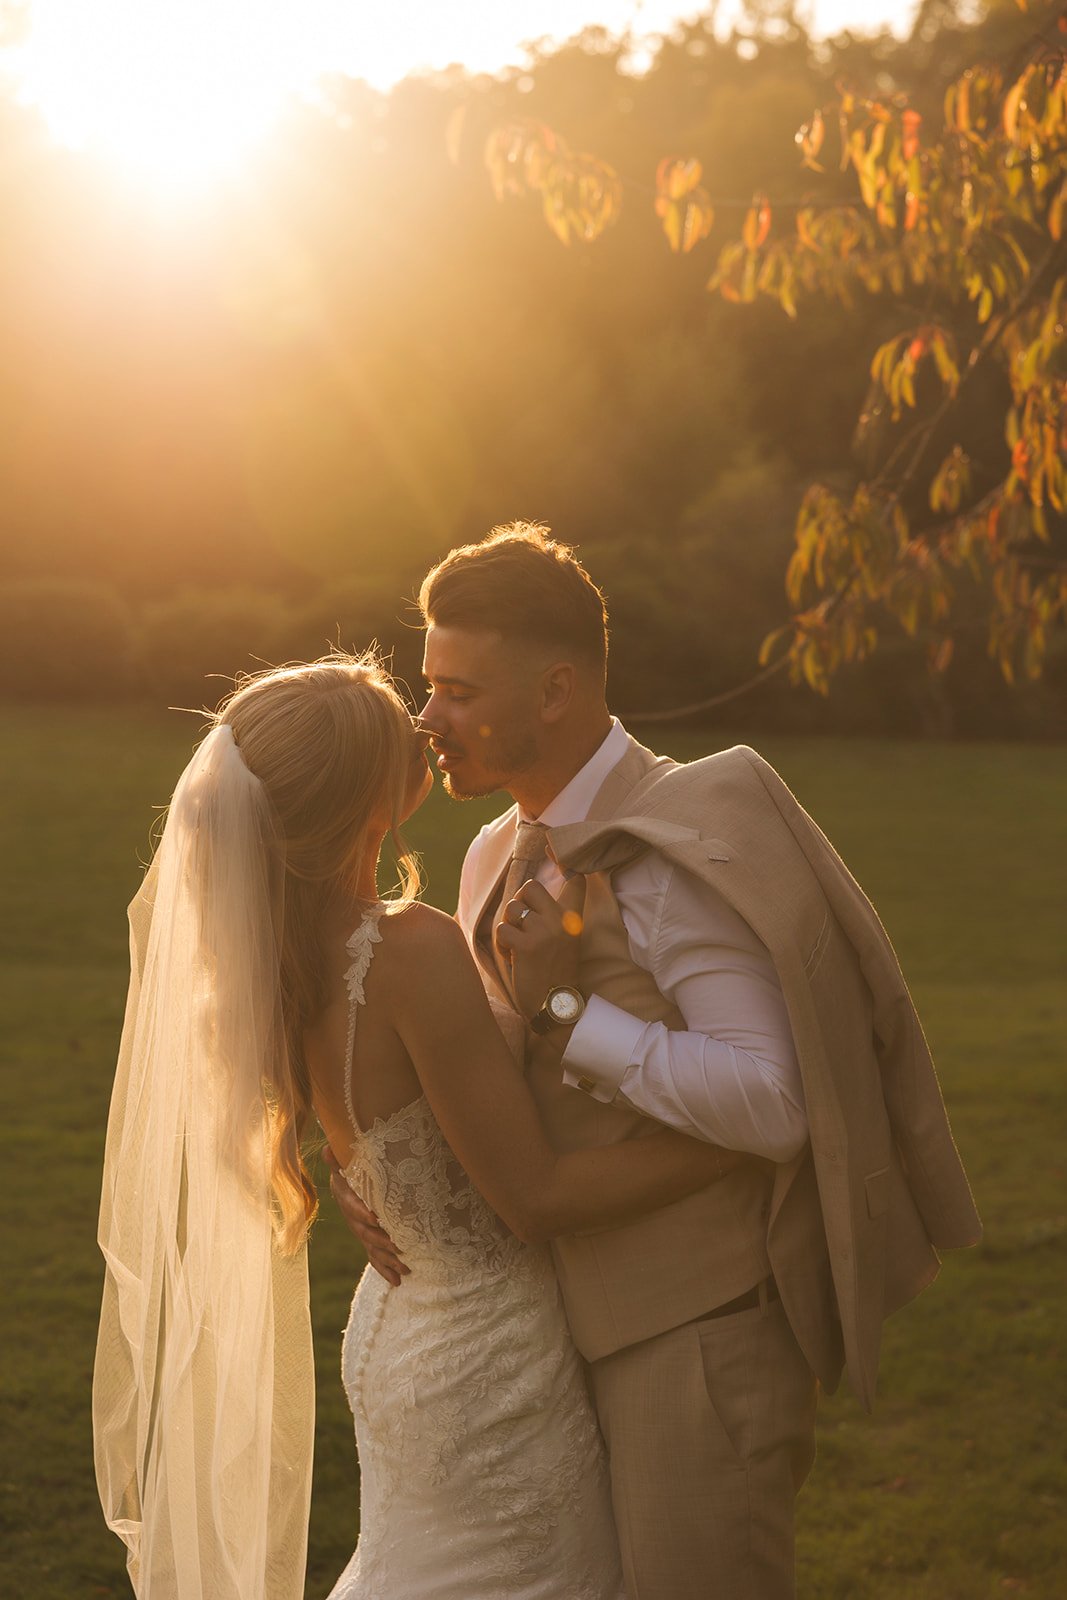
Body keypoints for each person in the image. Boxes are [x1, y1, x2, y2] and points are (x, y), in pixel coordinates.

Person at [331, 522, 982, 1600]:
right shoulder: (496, 849)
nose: (426, 718)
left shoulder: (678, 848)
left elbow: (775, 1101)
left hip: (696, 1340)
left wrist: (565, 1007)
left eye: (456, 690)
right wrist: (385, 1185)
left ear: (551, 691)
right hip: (546, 1343)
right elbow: (486, 1080)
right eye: (427, 684)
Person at [93, 652, 742, 1600]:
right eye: (404, 727)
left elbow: (378, 1122)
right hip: (487, 1355)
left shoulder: (279, 959)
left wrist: (371, 1182)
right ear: (370, 799)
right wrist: (728, 1140)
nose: (430, 726)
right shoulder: (407, 949)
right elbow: (534, 1197)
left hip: (398, 1328)